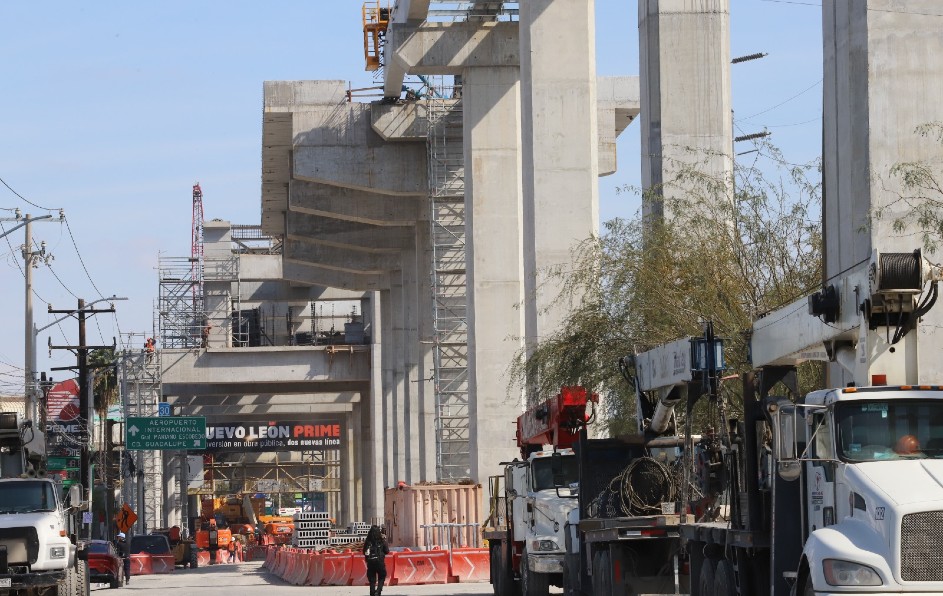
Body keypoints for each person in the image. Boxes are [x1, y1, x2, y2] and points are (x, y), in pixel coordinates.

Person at [362, 525, 389, 596]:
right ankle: (378, 591)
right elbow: (387, 551)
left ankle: (372, 592)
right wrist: (384, 540)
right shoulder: (381, 540)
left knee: (372, 579)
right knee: (382, 576)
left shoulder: (368, 541)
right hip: (379, 561)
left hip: (370, 561)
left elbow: (364, 551)